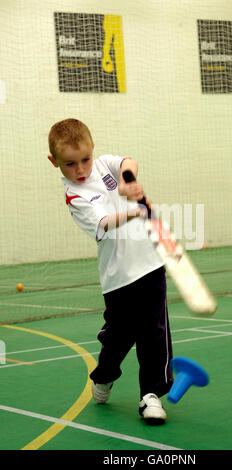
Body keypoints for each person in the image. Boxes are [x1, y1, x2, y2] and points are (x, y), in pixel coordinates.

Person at [48, 118, 173, 424]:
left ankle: (150, 395)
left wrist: (128, 179)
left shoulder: (104, 165)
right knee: (119, 337)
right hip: (118, 278)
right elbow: (104, 224)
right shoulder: (74, 197)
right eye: (70, 164)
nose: (81, 169)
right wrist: (134, 210)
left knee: (154, 333)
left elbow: (128, 161)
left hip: (150, 263)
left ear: (93, 151)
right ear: (54, 163)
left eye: (85, 159)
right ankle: (104, 375)